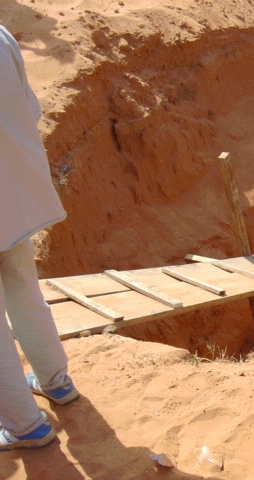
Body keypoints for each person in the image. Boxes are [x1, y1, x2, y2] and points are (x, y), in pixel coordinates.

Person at [0, 25, 79, 451]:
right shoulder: (2, 36)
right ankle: (55, 382)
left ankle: (23, 424)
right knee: (23, 288)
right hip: (12, 193)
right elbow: (28, 109)